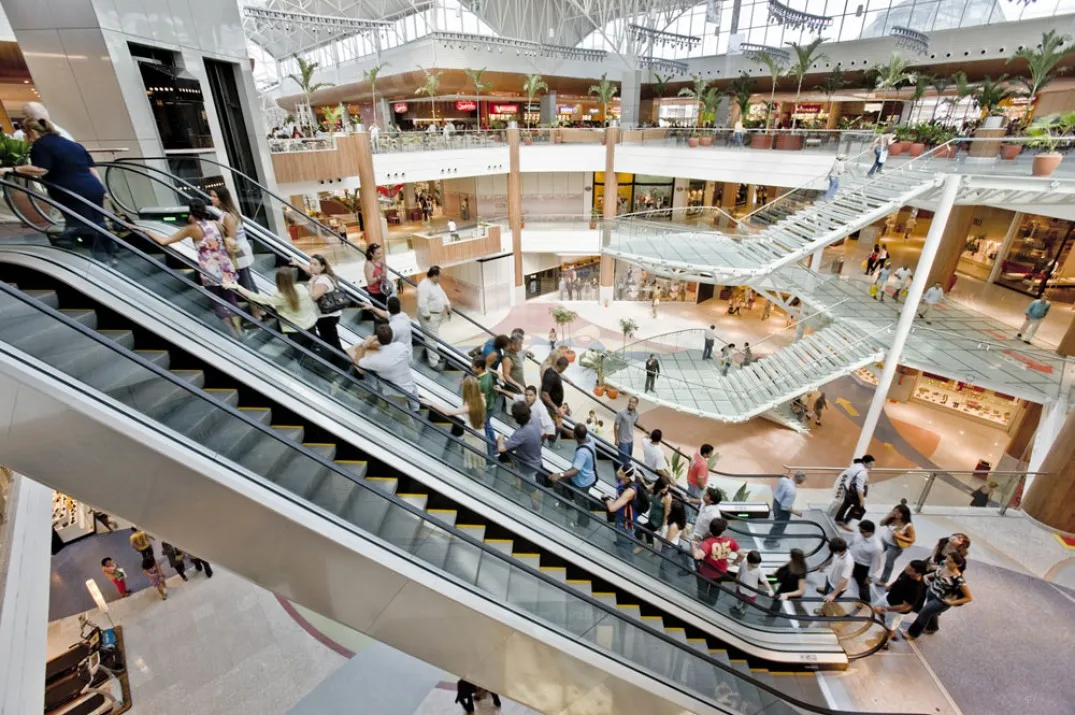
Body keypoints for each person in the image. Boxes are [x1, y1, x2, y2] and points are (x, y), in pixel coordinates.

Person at [16, 118, 114, 262]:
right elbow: (91, 169)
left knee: (84, 225)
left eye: (25, 133)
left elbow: (41, 169)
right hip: (92, 187)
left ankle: (102, 259)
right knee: (98, 221)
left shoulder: (41, 145)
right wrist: (102, 189)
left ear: (32, 132)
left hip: (71, 191)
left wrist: (13, 169)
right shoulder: (72, 144)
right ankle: (110, 253)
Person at [145, 198, 242, 336]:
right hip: (225, 265)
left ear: (191, 212)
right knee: (230, 297)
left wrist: (147, 232)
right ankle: (239, 328)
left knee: (216, 301)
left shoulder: (192, 229)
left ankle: (231, 330)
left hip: (210, 270)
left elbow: (164, 241)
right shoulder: (215, 224)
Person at [226, 268, 319, 353]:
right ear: (291, 278)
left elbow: (258, 298)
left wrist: (239, 287)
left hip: (295, 331)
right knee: (315, 350)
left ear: (278, 281)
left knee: (301, 355)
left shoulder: (281, 296)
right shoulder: (301, 287)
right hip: (311, 325)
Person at [209, 187, 262, 320]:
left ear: (222, 198)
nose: (212, 199)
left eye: (215, 196)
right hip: (239, 250)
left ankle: (256, 313)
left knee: (245, 283)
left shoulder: (228, 216)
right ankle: (260, 310)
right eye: (212, 196)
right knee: (248, 281)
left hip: (238, 253)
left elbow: (231, 240)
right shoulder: (225, 214)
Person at [350, 324, 419, 410]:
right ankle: (416, 409)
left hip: (396, 393)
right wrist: (379, 337)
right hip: (408, 383)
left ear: (378, 338)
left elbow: (358, 364)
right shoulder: (400, 346)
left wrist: (365, 344)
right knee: (413, 404)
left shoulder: (376, 360)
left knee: (402, 417)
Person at [905, 552, 972, 639]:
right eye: (947, 559)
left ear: (958, 565)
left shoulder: (958, 579)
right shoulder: (944, 564)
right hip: (931, 591)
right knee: (931, 612)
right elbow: (937, 573)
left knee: (923, 613)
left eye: (951, 562)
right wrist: (926, 576)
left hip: (941, 600)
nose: (947, 562)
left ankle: (913, 633)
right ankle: (932, 627)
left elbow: (968, 597)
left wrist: (952, 602)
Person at [289, 254, 346, 353]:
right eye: (310, 263)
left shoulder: (322, 280)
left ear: (323, 267)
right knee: (330, 341)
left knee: (332, 343)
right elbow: (308, 269)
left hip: (326, 318)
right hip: (326, 316)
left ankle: (344, 363)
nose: (311, 266)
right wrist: (298, 263)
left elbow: (314, 297)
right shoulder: (319, 275)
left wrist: (311, 283)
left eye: (315, 264)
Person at [548, 423, 598, 528]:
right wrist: (562, 428)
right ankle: (566, 503)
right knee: (558, 485)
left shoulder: (582, 453)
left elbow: (575, 470)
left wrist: (560, 474)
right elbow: (572, 434)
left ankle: (582, 523)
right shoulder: (588, 438)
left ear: (576, 436)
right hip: (577, 476)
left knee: (581, 503)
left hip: (582, 482)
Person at [433, 375, 487, 473]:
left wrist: (432, 403)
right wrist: (466, 383)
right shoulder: (481, 399)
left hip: (472, 435)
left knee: (475, 460)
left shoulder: (468, 406)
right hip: (479, 431)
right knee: (478, 458)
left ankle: (479, 477)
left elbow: (448, 413)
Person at [873, 560, 928, 645]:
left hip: (897, 609)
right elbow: (898, 579)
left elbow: (905, 607)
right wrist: (891, 586)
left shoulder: (916, 589)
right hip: (889, 597)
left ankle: (885, 642)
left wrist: (884, 609)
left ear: (918, 573)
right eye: (907, 566)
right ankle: (887, 625)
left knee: (891, 627)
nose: (906, 569)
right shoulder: (906, 572)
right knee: (875, 609)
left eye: (910, 569)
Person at [497, 401, 544, 502]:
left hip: (528, 467)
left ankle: (535, 508)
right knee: (517, 471)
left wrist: (500, 437)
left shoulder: (521, 433)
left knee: (532, 489)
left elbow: (501, 448)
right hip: (534, 458)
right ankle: (518, 488)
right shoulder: (534, 419)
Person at [692, 517, 741, 606]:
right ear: (723, 530)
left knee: (702, 589)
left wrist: (693, 544)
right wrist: (732, 563)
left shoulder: (708, 543)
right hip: (720, 572)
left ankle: (701, 603)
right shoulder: (730, 540)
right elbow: (741, 554)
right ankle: (711, 603)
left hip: (705, 572)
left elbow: (697, 555)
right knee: (715, 589)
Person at [417, 265, 451, 368]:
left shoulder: (435, 284)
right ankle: (434, 363)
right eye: (440, 276)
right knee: (431, 340)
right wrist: (427, 316)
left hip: (436, 316)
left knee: (434, 338)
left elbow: (442, 294)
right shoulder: (424, 286)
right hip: (429, 317)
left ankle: (436, 358)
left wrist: (447, 304)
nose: (441, 278)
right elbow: (422, 303)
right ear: (435, 276)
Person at [765, 470, 806, 547]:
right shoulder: (792, 491)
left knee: (779, 523)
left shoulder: (783, 479)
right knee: (779, 525)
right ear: (800, 481)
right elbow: (785, 507)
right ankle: (770, 541)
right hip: (782, 510)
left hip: (776, 502)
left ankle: (779, 534)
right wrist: (796, 512)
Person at [878, 503, 916, 585]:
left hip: (895, 546)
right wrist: (889, 516)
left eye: (897, 512)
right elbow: (881, 523)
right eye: (894, 511)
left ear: (902, 514)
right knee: (874, 552)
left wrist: (899, 536)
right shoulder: (892, 518)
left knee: (889, 563)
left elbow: (912, 539)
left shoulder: (908, 525)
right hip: (884, 540)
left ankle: (883, 580)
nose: (895, 513)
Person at [815, 536, 853, 613]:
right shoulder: (839, 553)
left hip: (836, 586)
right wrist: (824, 565)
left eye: (834, 552)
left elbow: (844, 580)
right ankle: (826, 592)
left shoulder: (848, 562)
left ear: (838, 551)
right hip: (830, 578)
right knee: (826, 592)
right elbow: (833, 558)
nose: (834, 553)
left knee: (829, 600)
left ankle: (826, 611)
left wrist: (833, 594)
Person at [833, 455, 874, 527]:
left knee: (846, 504)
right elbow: (859, 488)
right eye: (870, 464)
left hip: (848, 487)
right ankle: (845, 523)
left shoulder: (857, 465)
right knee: (858, 507)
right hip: (854, 492)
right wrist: (862, 500)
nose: (872, 466)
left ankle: (838, 519)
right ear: (865, 462)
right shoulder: (862, 472)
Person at [731, 550, 774, 617]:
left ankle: (743, 611)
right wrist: (737, 580)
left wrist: (770, 589)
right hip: (741, 587)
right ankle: (737, 607)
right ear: (749, 562)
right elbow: (740, 571)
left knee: (747, 603)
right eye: (755, 564)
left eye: (758, 564)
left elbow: (765, 580)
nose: (757, 565)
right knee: (739, 598)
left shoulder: (759, 570)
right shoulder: (744, 563)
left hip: (751, 591)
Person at [848, 519, 883, 600]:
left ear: (870, 532)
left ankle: (865, 601)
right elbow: (852, 543)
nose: (860, 533)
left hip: (862, 568)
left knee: (863, 586)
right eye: (860, 530)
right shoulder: (859, 535)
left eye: (863, 531)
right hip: (852, 561)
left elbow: (876, 563)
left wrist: (870, 576)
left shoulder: (876, 547)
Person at [637, 475, 671, 553]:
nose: (665, 490)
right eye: (664, 487)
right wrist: (642, 481)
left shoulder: (667, 497)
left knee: (639, 529)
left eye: (667, 488)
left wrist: (663, 526)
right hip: (651, 517)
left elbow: (667, 513)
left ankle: (640, 545)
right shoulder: (656, 488)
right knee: (648, 532)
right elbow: (645, 489)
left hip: (657, 522)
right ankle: (650, 546)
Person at [769, 548, 807, 615]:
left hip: (793, 590)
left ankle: (804, 620)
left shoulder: (801, 570)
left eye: (791, 554)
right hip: (784, 585)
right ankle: (772, 614)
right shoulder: (793, 562)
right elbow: (783, 567)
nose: (789, 555)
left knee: (797, 606)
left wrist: (787, 594)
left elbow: (801, 591)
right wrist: (776, 572)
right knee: (777, 600)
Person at [541, 356, 569, 442]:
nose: (564, 370)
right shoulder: (551, 376)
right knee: (555, 426)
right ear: (562, 366)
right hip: (552, 408)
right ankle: (550, 441)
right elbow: (544, 394)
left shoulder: (554, 372)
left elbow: (560, 375)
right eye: (565, 368)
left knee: (558, 426)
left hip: (556, 406)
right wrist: (555, 407)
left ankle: (551, 439)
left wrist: (568, 380)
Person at [363, 243, 389, 319]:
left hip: (382, 291)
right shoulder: (369, 265)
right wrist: (380, 276)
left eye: (381, 253)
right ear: (371, 254)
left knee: (384, 310)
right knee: (379, 312)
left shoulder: (380, 261)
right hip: (375, 294)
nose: (380, 255)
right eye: (378, 253)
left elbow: (384, 275)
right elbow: (370, 282)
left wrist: (384, 270)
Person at [499, 330, 528, 396]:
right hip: (515, 389)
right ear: (513, 345)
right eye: (520, 345)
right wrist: (518, 386)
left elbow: (521, 353)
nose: (521, 346)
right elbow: (506, 375)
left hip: (521, 385)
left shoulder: (516, 352)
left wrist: (527, 352)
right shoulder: (507, 358)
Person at [614, 396, 640, 468]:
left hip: (630, 441)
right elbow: (615, 425)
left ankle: (623, 476)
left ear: (636, 404)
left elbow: (634, 423)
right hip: (622, 441)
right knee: (624, 462)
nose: (630, 403)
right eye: (630, 401)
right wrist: (616, 439)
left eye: (633, 402)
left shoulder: (637, 414)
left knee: (628, 459)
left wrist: (644, 429)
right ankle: (620, 478)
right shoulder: (621, 413)